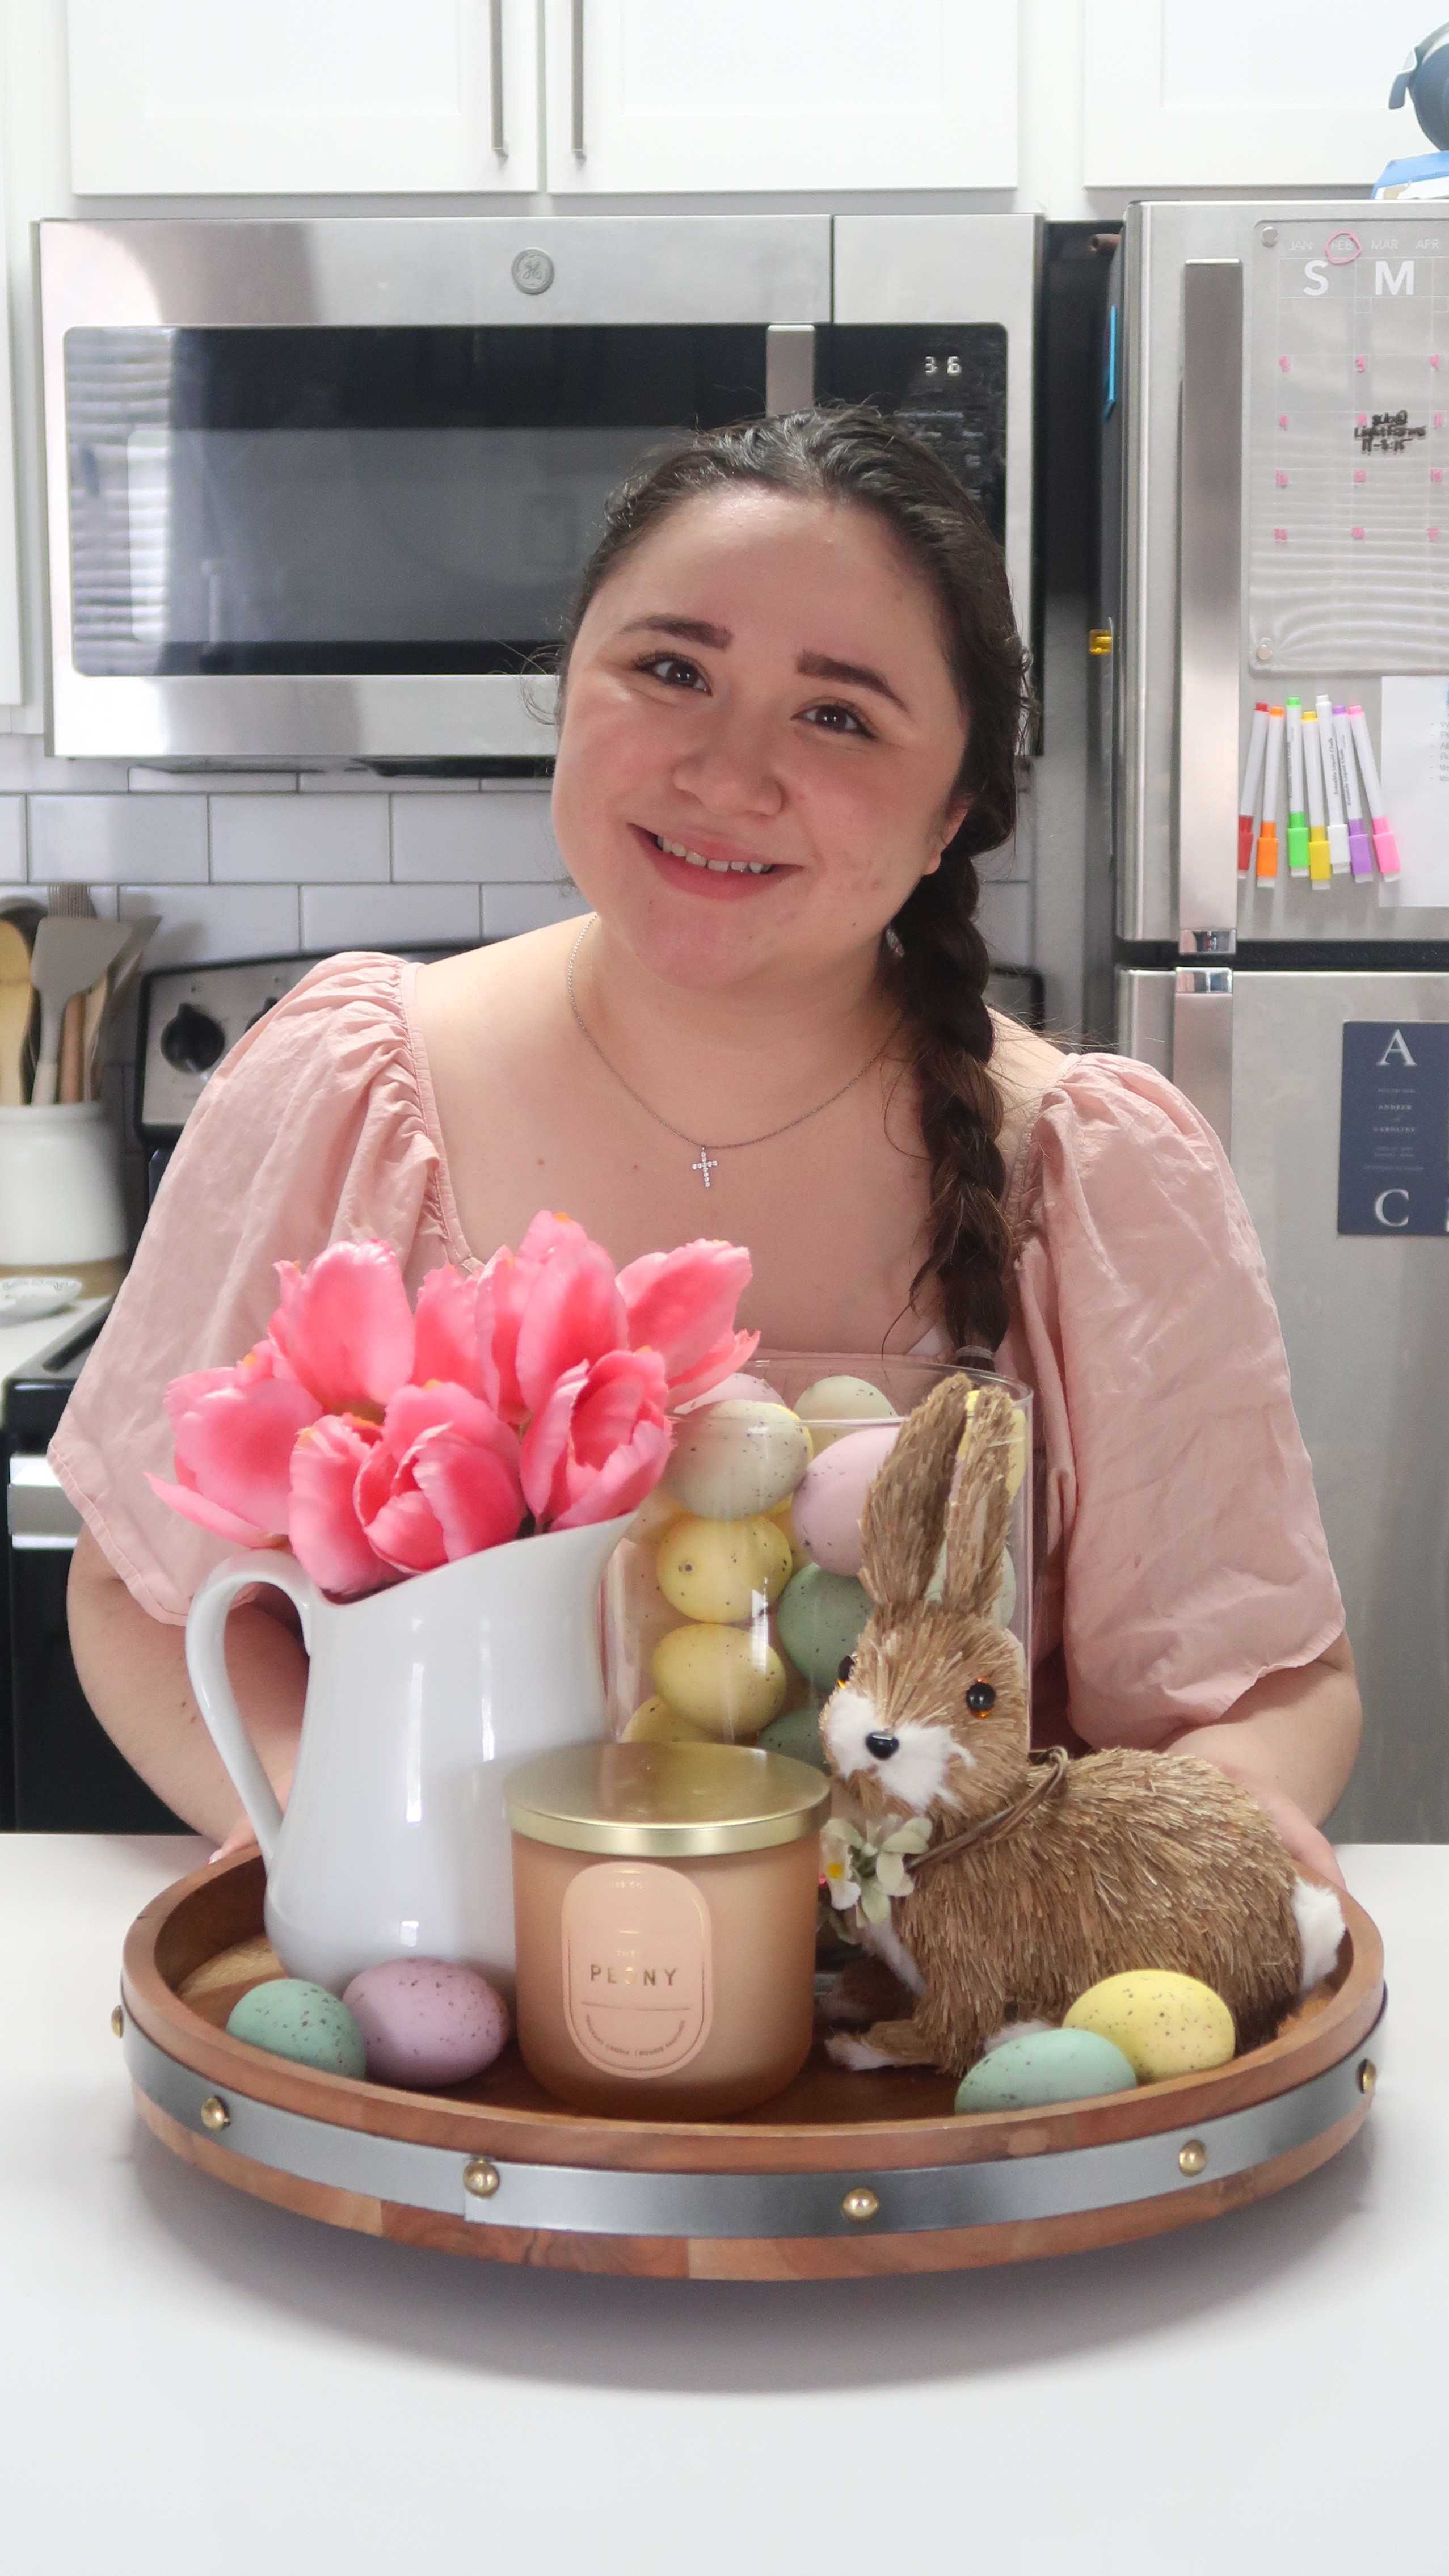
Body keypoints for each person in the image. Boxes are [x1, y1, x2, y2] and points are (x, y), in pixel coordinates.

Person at [57, 409, 1359, 1885]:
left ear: (952, 811)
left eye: (839, 715)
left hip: (929, 2002)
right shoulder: (341, 1090)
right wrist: (338, 1833)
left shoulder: (1093, 1174)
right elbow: (147, 1591)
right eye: (672, 671)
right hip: (468, 2000)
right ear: (567, 685)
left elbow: (1259, 1688)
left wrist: (1223, 1823)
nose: (727, 776)